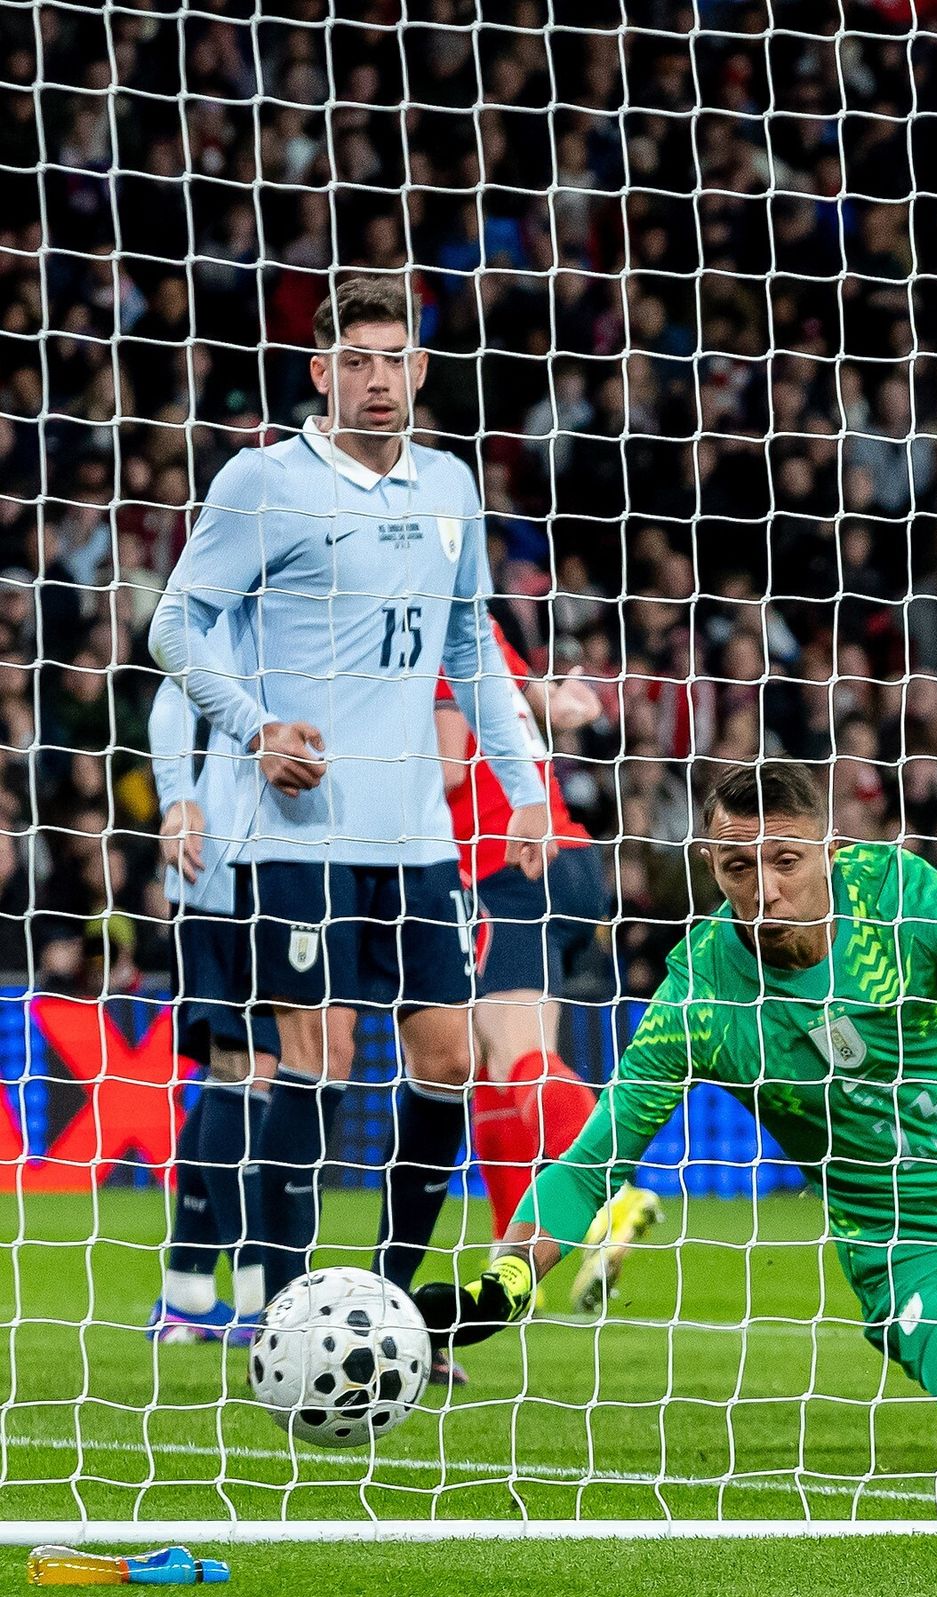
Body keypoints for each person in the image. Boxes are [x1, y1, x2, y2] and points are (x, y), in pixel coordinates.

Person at [413, 762, 937, 1473]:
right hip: (922, 1253)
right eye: (739, 867)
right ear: (710, 863)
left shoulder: (895, 895)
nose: (765, 890)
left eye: (785, 861)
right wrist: (505, 1282)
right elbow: (594, 1161)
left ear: (829, 853)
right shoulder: (699, 998)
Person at [147, 275, 552, 1340]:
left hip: (417, 838)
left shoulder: (451, 487)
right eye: (355, 362)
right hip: (303, 831)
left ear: (420, 369)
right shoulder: (262, 482)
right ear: (321, 373)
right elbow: (174, 630)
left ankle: (382, 1308)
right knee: (313, 1059)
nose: (378, 381)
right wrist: (254, 733)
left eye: (394, 360)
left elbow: (470, 650)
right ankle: (283, 1315)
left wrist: (525, 786)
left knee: (449, 1062)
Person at [436, 622, 659, 1316]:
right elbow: (537, 698)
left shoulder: (427, 646)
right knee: (485, 1063)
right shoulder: (479, 631)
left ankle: (615, 1196)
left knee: (515, 1051)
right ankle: (511, 1264)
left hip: (507, 865)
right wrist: (556, 701)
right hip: (557, 856)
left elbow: (444, 772)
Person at [146, 675, 281, 1343]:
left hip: (276, 865)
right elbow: (176, 690)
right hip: (223, 871)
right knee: (248, 1064)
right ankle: (260, 1298)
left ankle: (186, 1294)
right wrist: (179, 798)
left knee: (240, 1073)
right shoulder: (228, 597)